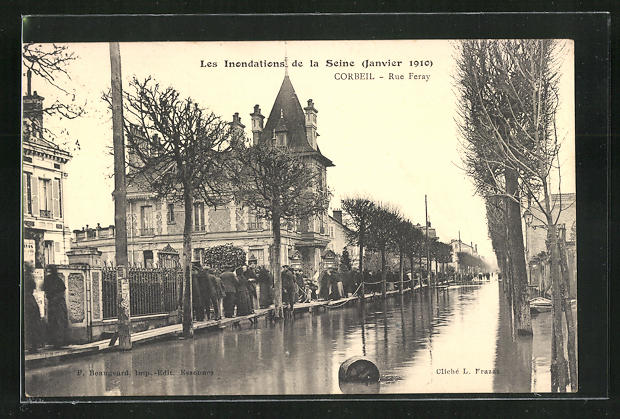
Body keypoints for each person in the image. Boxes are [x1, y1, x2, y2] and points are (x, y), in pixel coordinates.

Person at [43, 264, 68, 347]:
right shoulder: (56, 279)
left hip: (57, 303)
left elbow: (61, 291)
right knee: (55, 322)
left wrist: (52, 298)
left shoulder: (54, 279)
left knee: (57, 321)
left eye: (49, 271)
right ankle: (57, 341)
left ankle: (58, 341)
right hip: (56, 303)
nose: (48, 273)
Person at [24, 262, 43, 352]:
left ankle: (31, 345)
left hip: (27, 301)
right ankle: (34, 345)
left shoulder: (25, 277)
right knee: (33, 324)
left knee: (29, 324)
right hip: (31, 301)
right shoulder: (31, 277)